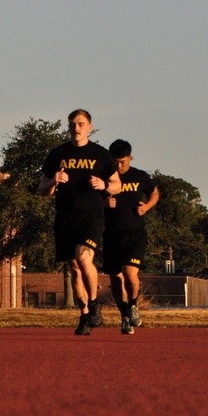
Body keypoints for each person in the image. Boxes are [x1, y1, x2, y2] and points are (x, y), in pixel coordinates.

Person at [38, 109, 121, 335]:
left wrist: (104, 185)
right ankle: (84, 314)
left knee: (83, 257)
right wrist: (53, 181)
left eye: (81, 124)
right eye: (73, 124)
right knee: (75, 269)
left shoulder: (101, 155)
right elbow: (42, 190)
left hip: (91, 216)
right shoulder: (57, 154)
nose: (76, 128)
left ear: (89, 127)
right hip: (65, 217)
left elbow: (117, 185)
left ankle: (94, 305)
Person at [103, 139, 159, 335]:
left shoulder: (139, 176)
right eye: (115, 161)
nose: (119, 165)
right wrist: (104, 203)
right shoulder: (104, 179)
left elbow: (154, 193)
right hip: (111, 235)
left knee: (129, 272)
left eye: (123, 161)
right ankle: (125, 316)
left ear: (129, 157)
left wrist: (147, 206)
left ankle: (133, 305)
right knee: (116, 279)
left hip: (135, 233)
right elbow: (90, 201)